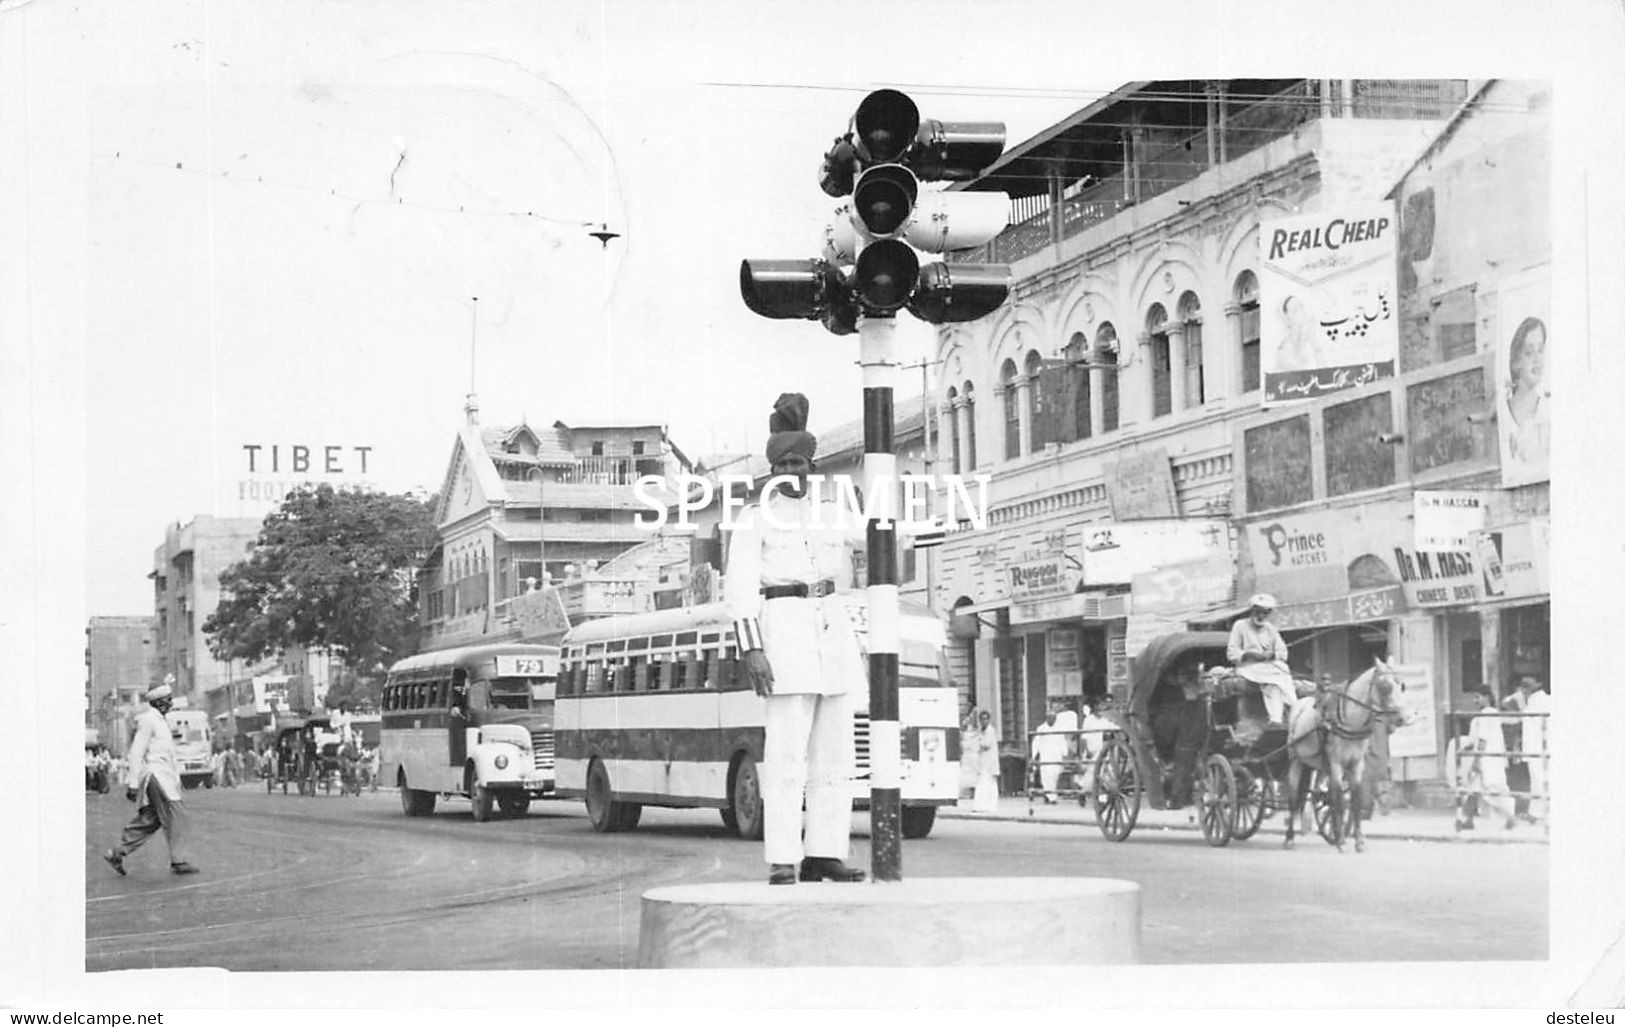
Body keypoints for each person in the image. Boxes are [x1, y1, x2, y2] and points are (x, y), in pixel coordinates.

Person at [725, 392, 866, 886]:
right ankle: (783, 856)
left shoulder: (832, 511)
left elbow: (880, 535)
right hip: (783, 636)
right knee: (786, 759)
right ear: (771, 469)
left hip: (833, 632)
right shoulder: (753, 518)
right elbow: (740, 592)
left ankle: (825, 851)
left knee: (836, 757)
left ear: (813, 464)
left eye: (800, 462)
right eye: (783, 463)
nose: (792, 471)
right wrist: (753, 650)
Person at [104, 679, 200, 876]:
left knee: (151, 819)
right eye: (167, 700)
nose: (170, 704)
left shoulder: (161, 721)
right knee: (177, 816)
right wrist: (132, 783)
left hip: (164, 776)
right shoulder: (148, 720)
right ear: (157, 702)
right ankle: (178, 861)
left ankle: (117, 852)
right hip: (157, 775)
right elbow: (137, 751)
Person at [1226, 593, 1296, 725]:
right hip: (1247, 668)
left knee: (1284, 675)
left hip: (1269, 667)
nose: (1261, 616)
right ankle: (1276, 720)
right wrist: (1249, 654)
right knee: (1273, 683)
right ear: (1252, 611)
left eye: (1265, 613)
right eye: (1258, 612)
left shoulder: (1271, 629)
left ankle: (1293, 710)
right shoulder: (1240, 626)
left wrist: (1272, 655)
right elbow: (1231, 654)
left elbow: (1283, 652)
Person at [1462, 687, 1515, 831]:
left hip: (1487, 758)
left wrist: (1477, 760)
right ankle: (1467, 819)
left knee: (1492, 788)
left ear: (1487, 697)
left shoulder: (1488, 714)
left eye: (1478, 697)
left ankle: (1510, 814)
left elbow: (1483, 739)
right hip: (1487, 756)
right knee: (1473, 789)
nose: (1475, 700)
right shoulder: (1486, 714)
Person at [1503, 316, 1549, 468]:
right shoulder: (1504, 416)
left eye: (1540, 350)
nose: (1537, 359)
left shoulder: (1550, 410)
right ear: (1516, 362)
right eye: (1529, 353)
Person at [1504, 674, 1550, 823]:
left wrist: (1518, 698)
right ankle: (1538, 813)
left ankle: (1538, 814)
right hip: (1540, 746)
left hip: (1538, 747)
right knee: (1541, 779)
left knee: (1539, 779)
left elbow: (1506, 703)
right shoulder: (1540, 700)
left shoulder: (1535, 702)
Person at [1029, 707, 1069, 804]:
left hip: (1056, 756)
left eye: (1053, 717)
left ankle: (1050, 795)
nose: (1052, 719)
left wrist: (1065, 754)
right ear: (1046, 718)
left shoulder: (1059, 728)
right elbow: (1036, 743)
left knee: (1055, 776)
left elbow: (1063, 742)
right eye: (1050, 717)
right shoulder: (1041, 728)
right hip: (1046, 756)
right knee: (1046, 777)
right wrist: (1034, 756)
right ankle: (1051, 797)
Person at [969, 709, 1001, 813]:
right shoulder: (981, 731)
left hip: (989, 762)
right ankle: (980, 805)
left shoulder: (990, 731)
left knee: (990, 784)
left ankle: (990, 806)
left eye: (985, 719)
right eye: (982, 719)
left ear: (989, 720)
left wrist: (978, 741)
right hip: (983, 762)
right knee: (982, 784)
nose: (984, 721)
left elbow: (986, 745)